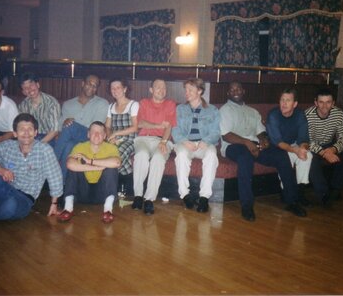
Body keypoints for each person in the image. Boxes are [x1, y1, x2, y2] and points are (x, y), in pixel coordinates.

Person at [219, 82, 306, 221]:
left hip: (254, 145)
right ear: (228, 93)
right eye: (232, 89)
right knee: (245, 158)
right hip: (233, 146)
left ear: (244, 91)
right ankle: (247, 205)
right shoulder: (224, 110)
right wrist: (246, 142)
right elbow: (226, 135)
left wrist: (264, 140)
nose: (235, 91)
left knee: (281, 155)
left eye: (238, 88)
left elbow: (261, 131)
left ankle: (292, 201)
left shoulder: (252, 111)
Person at [0, 113, 63, 231]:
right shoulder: (7, 146)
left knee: (11, 205)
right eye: (22, 129)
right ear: (15, 133)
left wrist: (54, 204)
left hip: (24, 199)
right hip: (3, 188)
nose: (26, 133)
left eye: (30, 129)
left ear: (35, 132)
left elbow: (55, 177)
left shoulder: (45, 150)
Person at [57, 121, 121, 224]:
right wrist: (96, 167)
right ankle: (68, 208)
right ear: (88, 134)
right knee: (73, 169)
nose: (96, 135)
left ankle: (108, 210)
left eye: (100, 132)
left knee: (111, 169)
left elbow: (117, 162)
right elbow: (69, 164)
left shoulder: (111, 148)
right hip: (82, 192)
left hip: (102, 194)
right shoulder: (80, 147)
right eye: (93, 132)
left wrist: (89, 161)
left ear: (104, 136)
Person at [172, 78, 220, 213]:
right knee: (181, 155)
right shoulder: (180, 109)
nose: (186, 93)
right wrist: (184, 141)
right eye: (185, 90)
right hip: (185, 143)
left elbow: (216, 132)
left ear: (199, 91)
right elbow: (174, 129)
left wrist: (205, 141)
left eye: (190, 90)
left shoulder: (212, 110)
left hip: (203, 144)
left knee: (211, 154)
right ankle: (185, 195)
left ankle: (204, 197)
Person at [131, 79, 177, 215]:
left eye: (164, 88)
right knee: (141, 156)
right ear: (151, 90)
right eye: (158, 87)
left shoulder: (170, 104)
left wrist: (163, 141)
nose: (161, 90)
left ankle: (149, 199)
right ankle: (138, 196)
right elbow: (139, 124)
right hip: (144, 138)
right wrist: (157, 126)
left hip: (162, 140)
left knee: (158, 158)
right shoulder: (144, 103)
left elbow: (169, 126)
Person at [54, 75, 109, 180]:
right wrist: (65, 122)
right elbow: (61, 127)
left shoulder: (102, 103)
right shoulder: (68, 104)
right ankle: (63, 185)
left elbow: (95, 128)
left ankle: (52, 161)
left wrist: (71, 126)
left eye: (95, 86)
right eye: (89, 83)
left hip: (91, 137)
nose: (91, 87)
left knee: (71, 126)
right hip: (72, 140)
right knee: (69, 146)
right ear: (83, 83)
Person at [266, 88, 312, 206]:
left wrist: (302, 149)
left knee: (307, 156)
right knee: (286, 158)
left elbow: (304, 138)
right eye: (282, 100)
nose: (284, 103)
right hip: (276, 147)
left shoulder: (300, 114)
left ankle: (299, 192)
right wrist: (295, 150)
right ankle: (286, 191)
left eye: (288, 100)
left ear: (295, 104)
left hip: (293, 145)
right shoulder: (273, 115)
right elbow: (278, 142)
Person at [305, 88, 343, 205]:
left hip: (329, 145)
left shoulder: (338, 113)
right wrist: (324, 153)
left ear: (333, 103)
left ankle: (335, 189)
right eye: (321, 102)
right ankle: (324, 194)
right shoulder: (308, 115)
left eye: (328, 102)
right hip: (312, 146)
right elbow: (307, 141)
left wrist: (333, 149)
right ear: (315, 103)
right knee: (310, 159)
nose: (325, 106)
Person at [104, 78, 139, 192]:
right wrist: (110, 138)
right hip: (114, 139)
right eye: (112, 88)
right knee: (104, 153)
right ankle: (128, 189)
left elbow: (135, 127)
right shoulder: (110, 106)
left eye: (118, 87)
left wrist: (116, 134)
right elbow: (107, 127)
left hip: (130, 140)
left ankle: (107, 189)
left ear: (124, 89)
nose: (115, 90)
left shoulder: (133, 104)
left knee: (116, 155)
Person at [18, 72, 61, 146]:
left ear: (38, 85)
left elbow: (54, 131)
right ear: (23, 92)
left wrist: (37, 145)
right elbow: (22, 126)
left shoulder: (52, 103)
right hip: (30, 137)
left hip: (49, 138)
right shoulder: (23, 105)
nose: (29, 89)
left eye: (31, 85)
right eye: (25, 88)